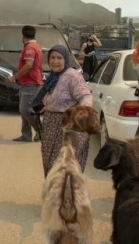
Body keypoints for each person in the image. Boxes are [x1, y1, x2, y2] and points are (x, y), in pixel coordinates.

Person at [32, 45, 93, 176]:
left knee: (65, 166)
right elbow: (49, 98)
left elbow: (86, 96)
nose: (55, 61)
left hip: (68, 126)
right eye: (52, 57)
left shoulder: (72, 76)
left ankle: (66, 195)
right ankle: (55, 194)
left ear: (66, 59)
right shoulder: (53, 77)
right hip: (50, 126)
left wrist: (81, 114)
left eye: (59, 58)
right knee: (49, 163)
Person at [5, 25, 44, 142]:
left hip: (30, 83)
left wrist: (14, 77)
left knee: (25, 109)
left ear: (23, 36)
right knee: (24, 110)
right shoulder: (36, 46)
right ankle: (26, 135)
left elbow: (28, 65)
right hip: (29, 83)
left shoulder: (29, 48)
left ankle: (41, 131)